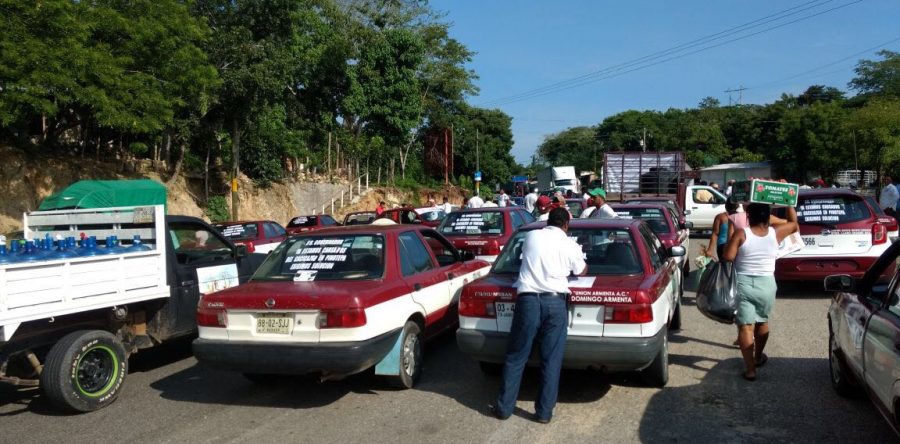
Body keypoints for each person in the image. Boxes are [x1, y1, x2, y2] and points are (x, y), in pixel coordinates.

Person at [489, 207, 586, 423]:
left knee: (516, 357)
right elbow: (581, 270)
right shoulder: (570, 244)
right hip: (555, 303)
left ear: (547, 221)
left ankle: (503, 409)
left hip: (528, 302)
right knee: (551, 360)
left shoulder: (531, 236)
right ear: (566, 225)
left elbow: (523, 256)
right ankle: (544, 413)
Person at [722, 203, 798, 381]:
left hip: (743, 283)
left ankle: (750, 370)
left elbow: (728, 257)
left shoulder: (742, 233)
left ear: (749, 217)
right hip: (767, 284)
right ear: (768, 217)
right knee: (762, 321)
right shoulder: (776, 232)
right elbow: (794, 224)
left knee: (745, 326)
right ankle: (758, 357)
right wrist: (789, 203)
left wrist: (729, 243)